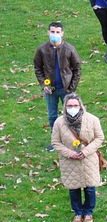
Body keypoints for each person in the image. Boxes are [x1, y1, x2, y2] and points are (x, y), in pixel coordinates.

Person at [51, 93, 104, 222]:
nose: (72, 108)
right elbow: (55, 142)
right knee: (73, 188)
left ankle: (89, 212)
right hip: (69, 161)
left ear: (80, 106)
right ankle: (78, 212)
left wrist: (85, 152)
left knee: (90, 188)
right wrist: (70, 153)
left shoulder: (92, 119)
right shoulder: (59, 122)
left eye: (75, 105)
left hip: (89, 159)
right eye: (70, 106)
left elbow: (99, 138)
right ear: (65, 107)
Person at [34, 21, 82, 152]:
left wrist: (71, 88)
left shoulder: (69, 49)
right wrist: (44, 84)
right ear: (48, 32)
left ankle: (74, 141)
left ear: (62, 33)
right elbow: (38, 68)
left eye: (57, 32)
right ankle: (56, 141)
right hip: (51, 90)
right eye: (52, 32)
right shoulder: (42, 50)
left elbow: (77, 69)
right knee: (52, 116)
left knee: (72, 115)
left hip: (66, 89)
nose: (55, 34)